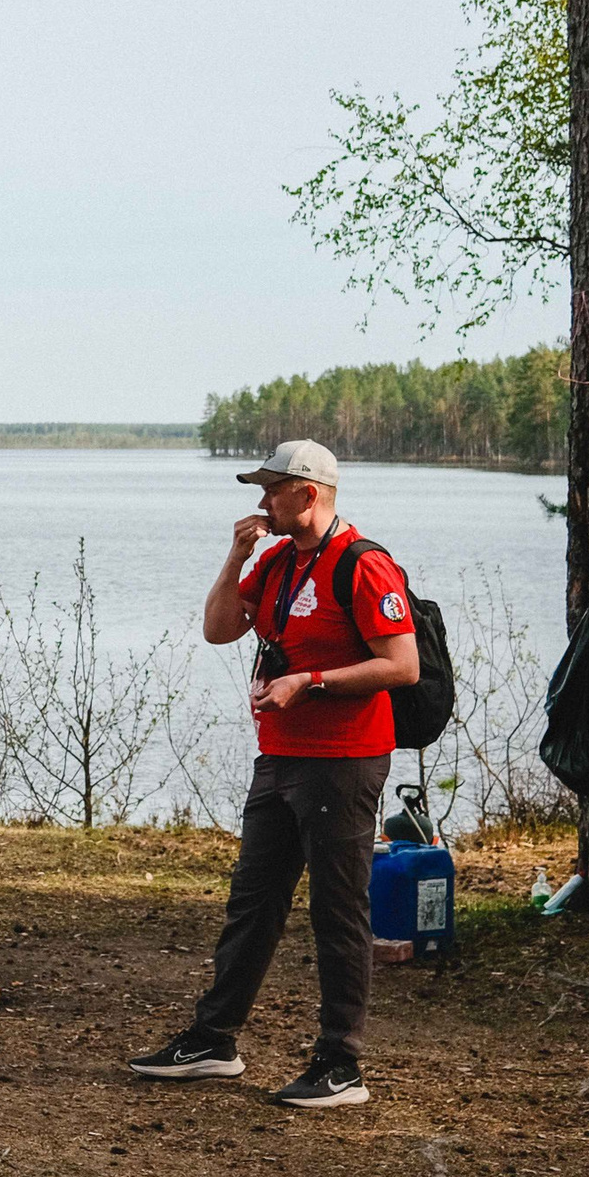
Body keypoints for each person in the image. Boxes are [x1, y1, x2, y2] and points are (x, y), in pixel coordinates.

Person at [130, 439, 419, 1109]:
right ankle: (213, 1040)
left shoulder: (364, 564)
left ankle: (341, 1063)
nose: (261, 500)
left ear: (308, 494)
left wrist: (309, 683)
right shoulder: (279, 562)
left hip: (343, 762)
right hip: (281, 758)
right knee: (253, 900)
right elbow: (218, 628)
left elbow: (401, 665)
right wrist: (235, 555)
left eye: (271, 489)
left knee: (338, 910)